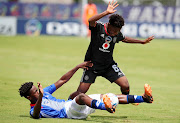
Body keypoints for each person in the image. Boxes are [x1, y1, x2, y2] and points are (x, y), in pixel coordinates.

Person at [69, 0, 155, 100]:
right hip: (91, 65)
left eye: (118, 31)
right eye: (114, 31)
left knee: (125, 85)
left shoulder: (117, 33)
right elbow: (91, 20)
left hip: (108, 65)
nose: (115, 33)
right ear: (109, 24)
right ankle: (67, 102)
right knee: (80, 93)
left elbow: (125, 39)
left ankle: (128, 99)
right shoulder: (99, 28)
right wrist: (106, 12)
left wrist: (142, 42)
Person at [19, 61, 153, 119]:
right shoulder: (33, 110)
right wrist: (41, 96)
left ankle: (144, 99)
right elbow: (36, 115)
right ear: (29, 97)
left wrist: (77, 67)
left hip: (72, 107)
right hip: (68, 112)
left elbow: (62, 80)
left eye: (37, 90)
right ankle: (105, 107)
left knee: (107, 96)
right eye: (35, 92)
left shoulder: (45, 92)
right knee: (81, 96)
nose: (38, 91)